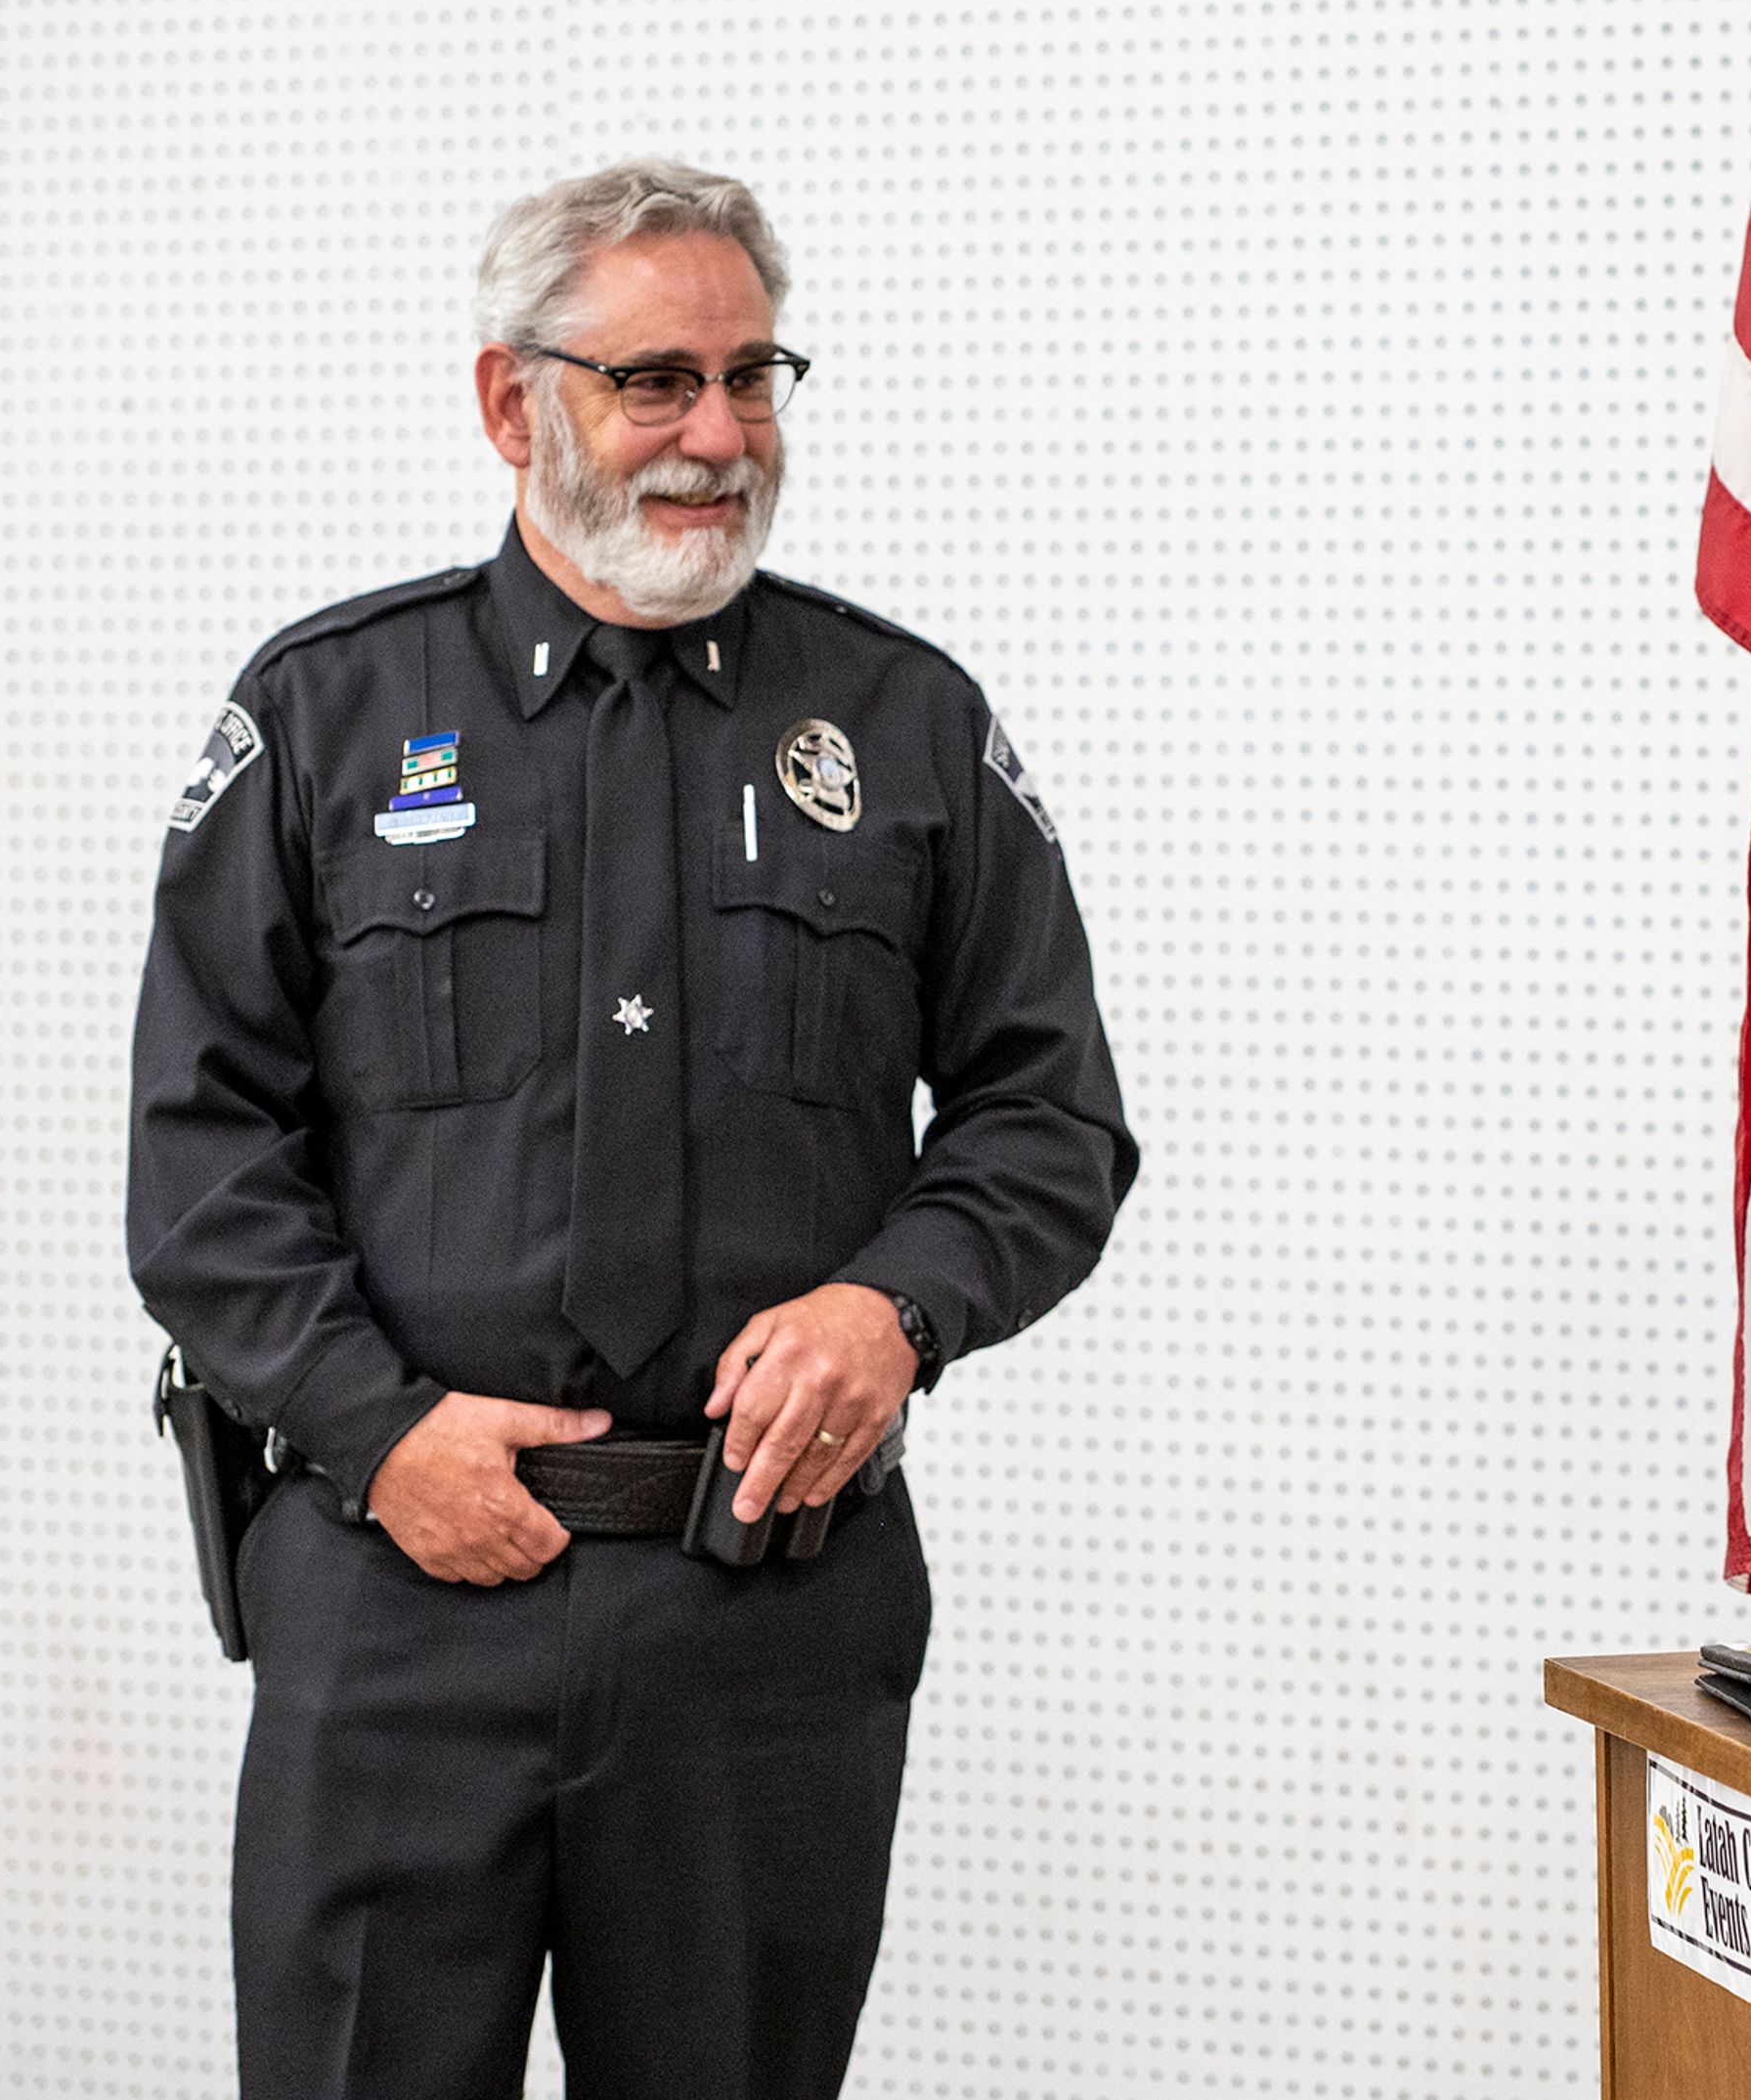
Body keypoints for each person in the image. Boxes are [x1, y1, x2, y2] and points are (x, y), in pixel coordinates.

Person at [128, 158, 1137, 2099]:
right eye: (654, 379)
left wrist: (891, 1309)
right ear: (517, 403)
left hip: (760, 1613)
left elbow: (1050, 1113)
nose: (718, 432)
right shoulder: (333, 713)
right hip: (397, 1587)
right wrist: (377, 1426)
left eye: (754, 376)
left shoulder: (901, 722)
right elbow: (200, 1150)